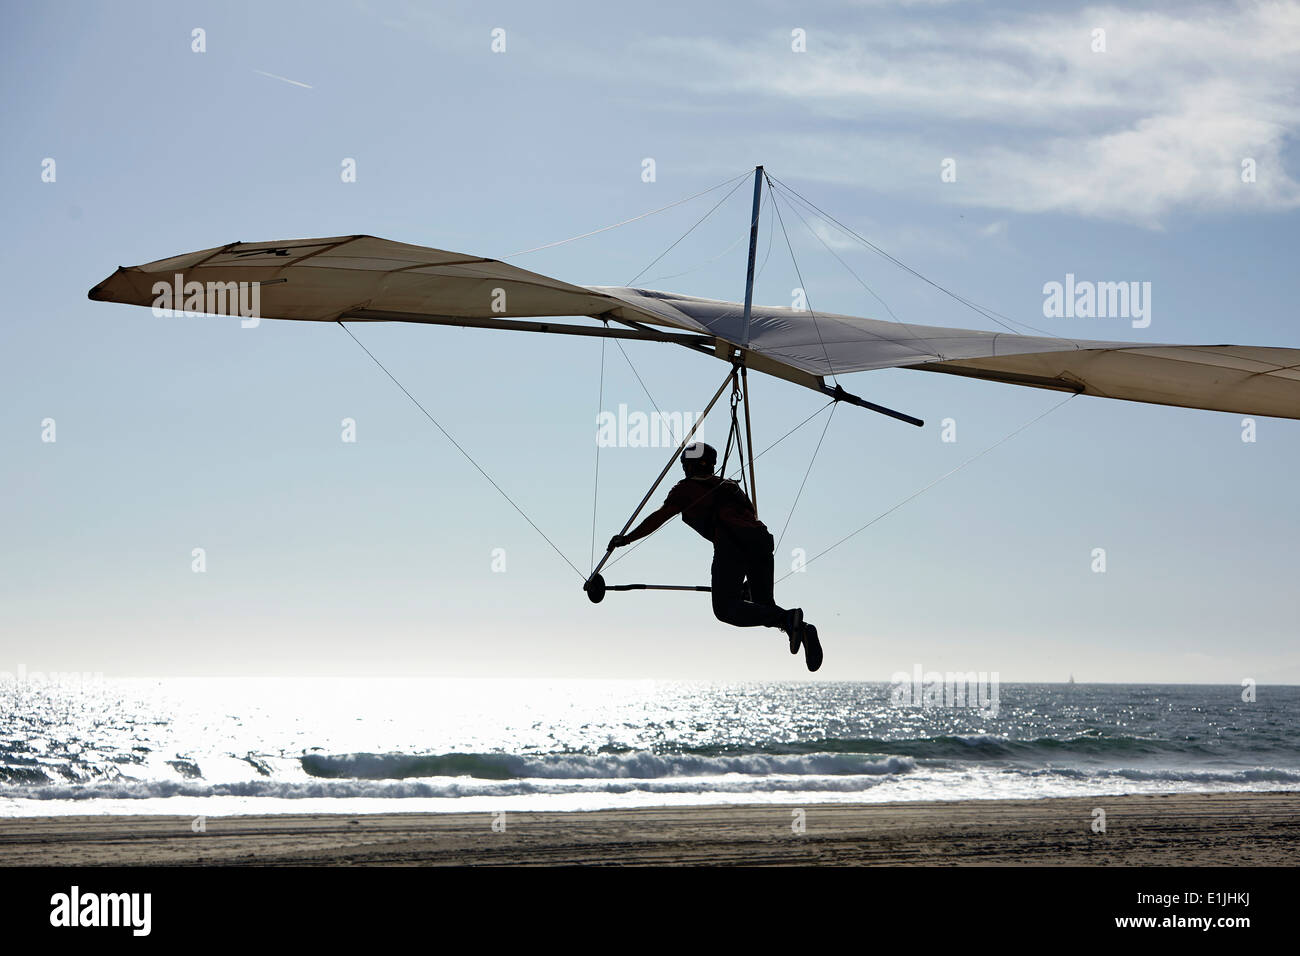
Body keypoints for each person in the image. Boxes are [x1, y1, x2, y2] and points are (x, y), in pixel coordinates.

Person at [608, 441, 822, 671]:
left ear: (687, 466)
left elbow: (660, 517)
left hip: (732, 545)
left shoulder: (685, 489)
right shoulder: (730, 486)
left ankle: (789, 619)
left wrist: (627, 538)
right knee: (763, 606)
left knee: (725, 609)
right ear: (711, 464)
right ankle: (801, 627)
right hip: (761, 542)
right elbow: (747, 519)